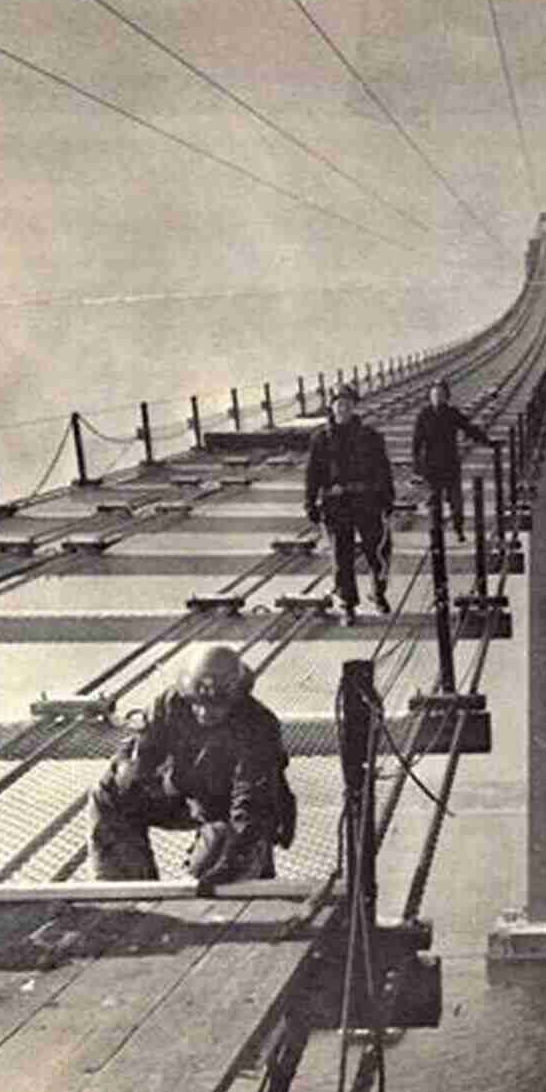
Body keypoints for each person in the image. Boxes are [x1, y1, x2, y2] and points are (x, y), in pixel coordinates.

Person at [87, 642, 294, 891]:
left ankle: (240, 873)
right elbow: (139, 748)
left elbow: (251, 801)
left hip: (230, 809)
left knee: (219, 870)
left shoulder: (258, 725)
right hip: (184, 793)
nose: (204, 713)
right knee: (109, 794)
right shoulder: (170, 702)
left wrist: (234, 859)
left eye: (216, 705)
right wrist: (127, 769)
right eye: (197, 703)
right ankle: (127, 888)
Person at [304, 382, 394, 624]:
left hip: (367, 500)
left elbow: (383, 469)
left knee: (378, 550)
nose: (342, 408)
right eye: (338, 403)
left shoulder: (370, 437)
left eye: (347, 404)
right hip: (337, 504)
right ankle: (348, 604)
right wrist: (310, 503)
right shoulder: (320, 439)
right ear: (331, 407)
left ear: (354, 407)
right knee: (341, 556)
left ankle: (378, 592)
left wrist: (388, 498)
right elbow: (313, 474)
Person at [410, 378, 491, 543]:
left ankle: (458, 530)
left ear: (446, 396)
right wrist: (417, 465)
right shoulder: (423, 415)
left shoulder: (452, 413)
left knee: (456, 501)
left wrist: (488, 442)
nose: (437, 397)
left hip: (450, 465)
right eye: (434, 394)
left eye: (440, 394)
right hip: (431, 467)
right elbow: (416, 443)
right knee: (434, 502)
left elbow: (469, 428)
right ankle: (435, 534)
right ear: (430, 396)